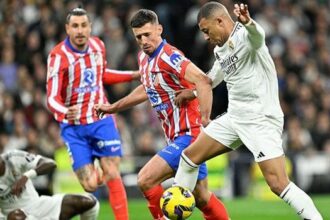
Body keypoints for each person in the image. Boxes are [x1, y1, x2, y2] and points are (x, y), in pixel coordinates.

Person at [172, 2, 323, 220]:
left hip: (260, 118)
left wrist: (249, 23)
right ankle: (173, 214)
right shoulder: (219, 49)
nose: (205, 37)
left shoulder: (247, 37)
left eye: (206, 31)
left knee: (278, 183)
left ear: (220, 21)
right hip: (235, 117)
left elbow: (258, 36)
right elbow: (214, 76)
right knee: (188, 158)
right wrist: (194, 92)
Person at [95, 9, 229, 220]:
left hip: (190, 136)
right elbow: (146, 88)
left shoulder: (170, 56)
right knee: (201, 197)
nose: (144, 40)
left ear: (159, 29)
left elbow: (203, 80)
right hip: (176, 136)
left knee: (145, 180)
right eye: (139, 37)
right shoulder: (144, 58)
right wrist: (114, 107)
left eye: (148, 34)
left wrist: (205, 119)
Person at [46, 8, 137, 220]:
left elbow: (102, 73)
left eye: (83, 25)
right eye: (75, 26)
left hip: (100, 119)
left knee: (113, 172)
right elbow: (51, 97)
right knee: (90, 185)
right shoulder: (58, 56)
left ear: (90, 27)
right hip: (73, 127)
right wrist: (65, 111)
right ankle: (96, 169)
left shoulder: (98, 46)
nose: (80, 30)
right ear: (67, 29)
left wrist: (133, 75)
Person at [0, 150, 99, 220]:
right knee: (16, 217)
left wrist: (26, 176)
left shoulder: (13, 158)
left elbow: (50, 163)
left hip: (38, 205)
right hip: (10, 215)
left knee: (90, 202)